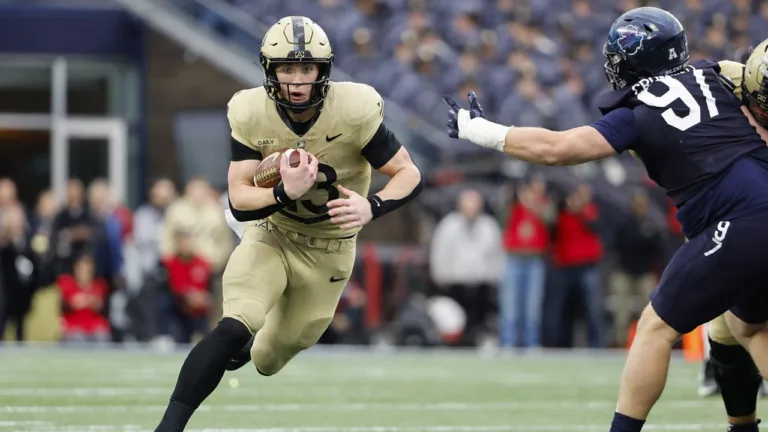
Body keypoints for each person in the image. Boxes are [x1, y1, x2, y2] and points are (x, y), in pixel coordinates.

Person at [443, 7, 768, 432]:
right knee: (747, 326)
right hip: (755, 205)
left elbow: (558, 149)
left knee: (655, 326)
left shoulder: (636, 112)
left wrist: (480, 130)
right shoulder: (716, 74)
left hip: (741, 218)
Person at [154, 16, 423, 431]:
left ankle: (256, 344)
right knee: (231, 325)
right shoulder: (250, 112)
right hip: (272, 232)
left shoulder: (353, 110)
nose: (296, 80)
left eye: (306, 68)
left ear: (323, 71)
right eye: (286, 68)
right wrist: (283, 194)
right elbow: (240, 200)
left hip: (330, 251)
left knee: (268, 358)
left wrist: (373, 206)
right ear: (270, 70)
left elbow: (409, 173)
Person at [692, 39, 768, 432]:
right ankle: (742, 425)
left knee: (744, 325)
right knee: (729, 325)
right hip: (748, 219)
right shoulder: (730, 80)